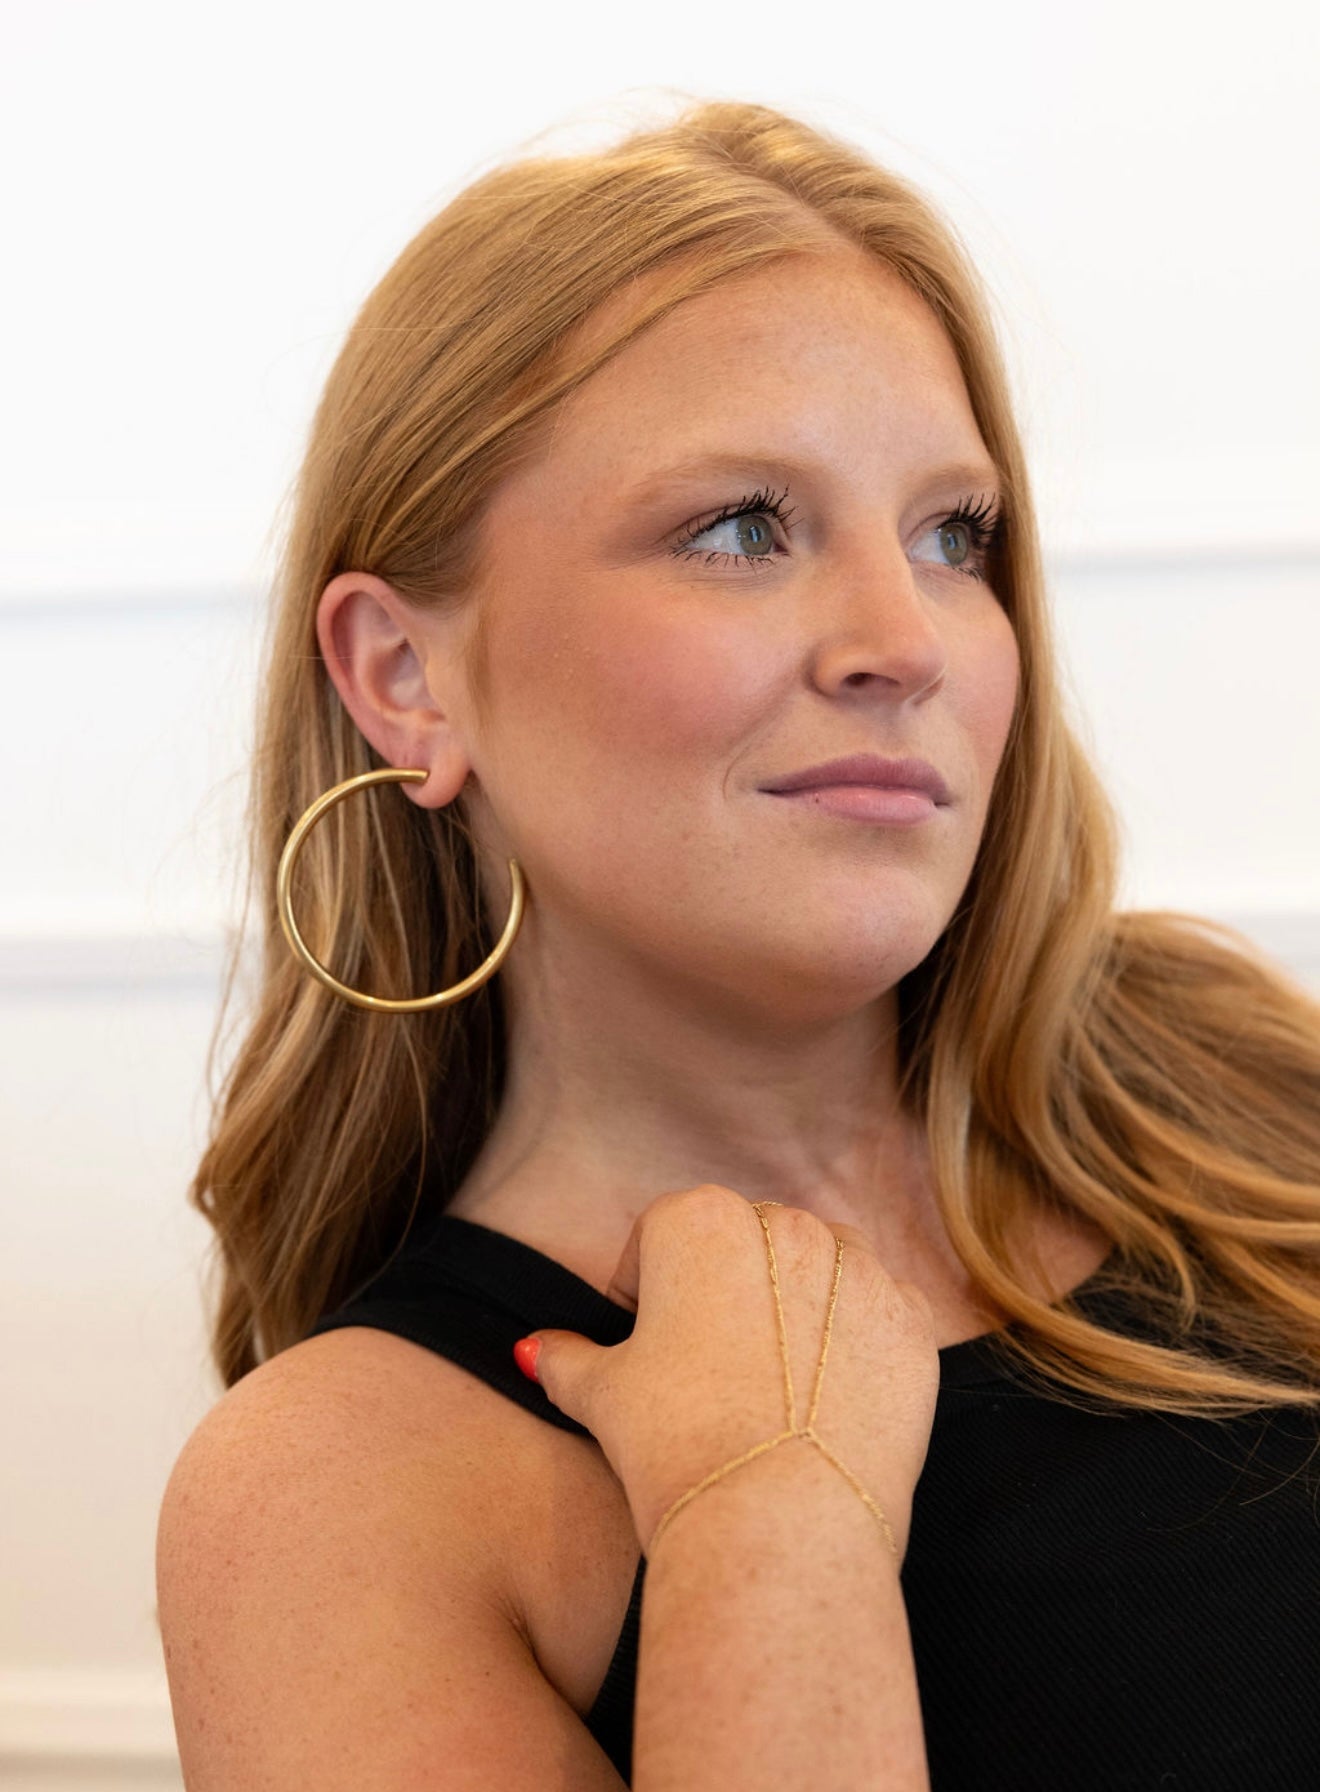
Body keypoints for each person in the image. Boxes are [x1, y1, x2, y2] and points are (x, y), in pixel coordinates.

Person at [155, 99, 1320, 1789]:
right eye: (741, 527)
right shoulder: (341, 1490)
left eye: (953, 535)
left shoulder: (1233, 1080)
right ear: (405, 680)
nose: (905, 639)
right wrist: (765, 1515)